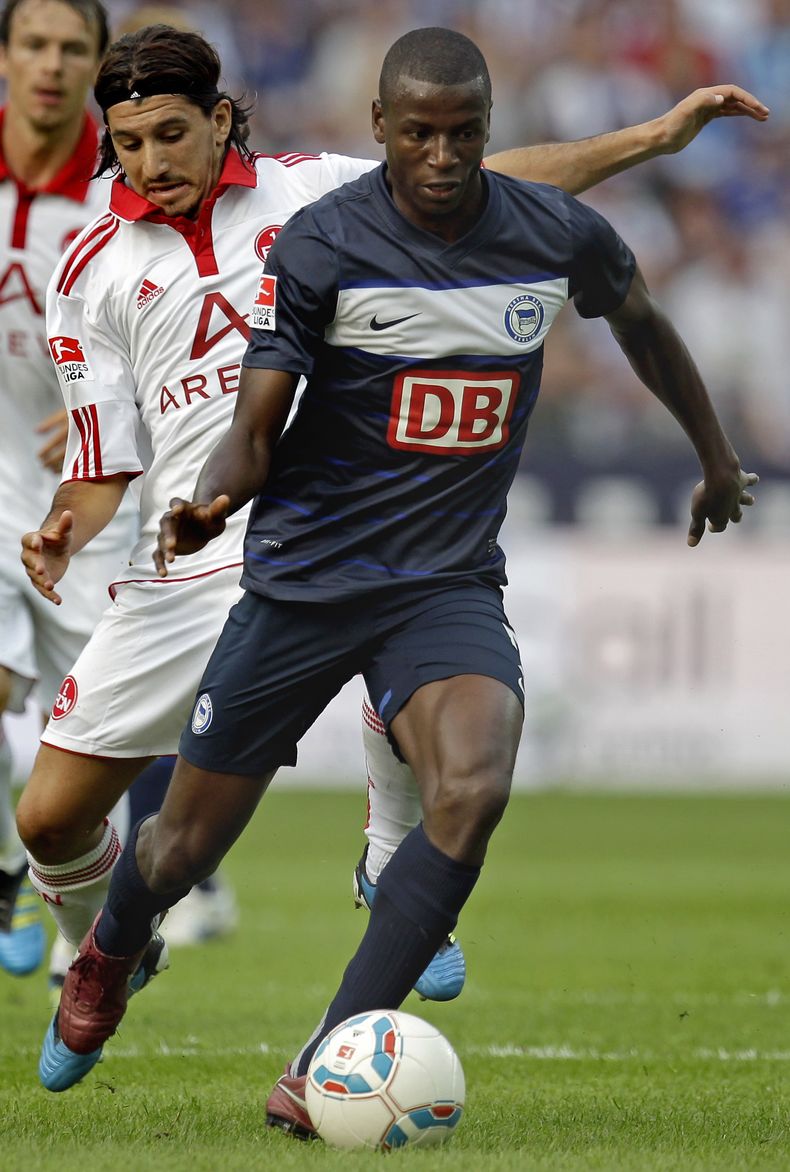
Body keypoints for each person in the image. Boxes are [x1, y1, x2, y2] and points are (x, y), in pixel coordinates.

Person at [16, 22, 767, 1090]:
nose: (151, 161)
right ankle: (111, 948)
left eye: (171, 134)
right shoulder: (93, 269)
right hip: (224, 543)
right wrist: (76, 521)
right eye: (128, 143)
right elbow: (111, 459)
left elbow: (496, 181)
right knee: (91, 827)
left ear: (221, 119)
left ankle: (364, 930)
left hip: (384, 539)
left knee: (461, 753)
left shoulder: (313, 192)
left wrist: (650, 136)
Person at [0, 0, 231, 990]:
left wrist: (114, 405)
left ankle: (83, 934)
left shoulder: (120, 196)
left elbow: (167, 329)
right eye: (33, 44)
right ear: (5, 56)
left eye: (70, 49)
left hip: (84, 501)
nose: (50, 66)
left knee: (93, 744)